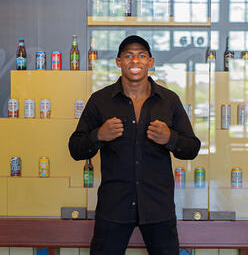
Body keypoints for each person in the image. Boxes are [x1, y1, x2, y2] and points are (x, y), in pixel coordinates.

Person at [68, 35, 201, 255]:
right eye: (128, 56)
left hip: (158, 207)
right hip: (114, 207)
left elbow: (192, 149)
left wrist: (171, 139)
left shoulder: (169, 100)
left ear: (151, 61)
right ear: (119, 62)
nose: (135, 61)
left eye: (141, 55)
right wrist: (98, 135)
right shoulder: (100, 100)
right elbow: (75, 149)